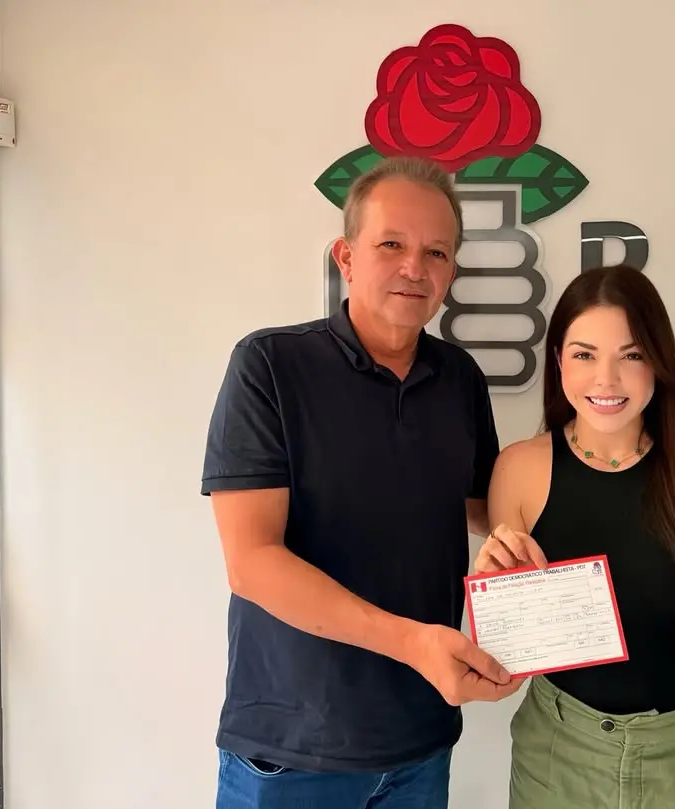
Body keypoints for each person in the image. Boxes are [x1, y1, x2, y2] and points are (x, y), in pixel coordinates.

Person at [201, 155, 521, 809]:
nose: (415, 267)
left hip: (421, 742)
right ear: (346, 257)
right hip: (291, 751)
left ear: (451, 271)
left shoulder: (458, 378)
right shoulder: (270, 365)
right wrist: (414, 641)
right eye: (392, 245)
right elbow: (251, 562)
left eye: (437, 252)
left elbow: (486, 507)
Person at [475, 264, 675, 809]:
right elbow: (511, 665)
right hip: (558, 756)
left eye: (632, 355)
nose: (606, 380)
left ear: (659, 361)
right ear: (558, 361)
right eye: (584, 354)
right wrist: (497, 598)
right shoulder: (520, 469)